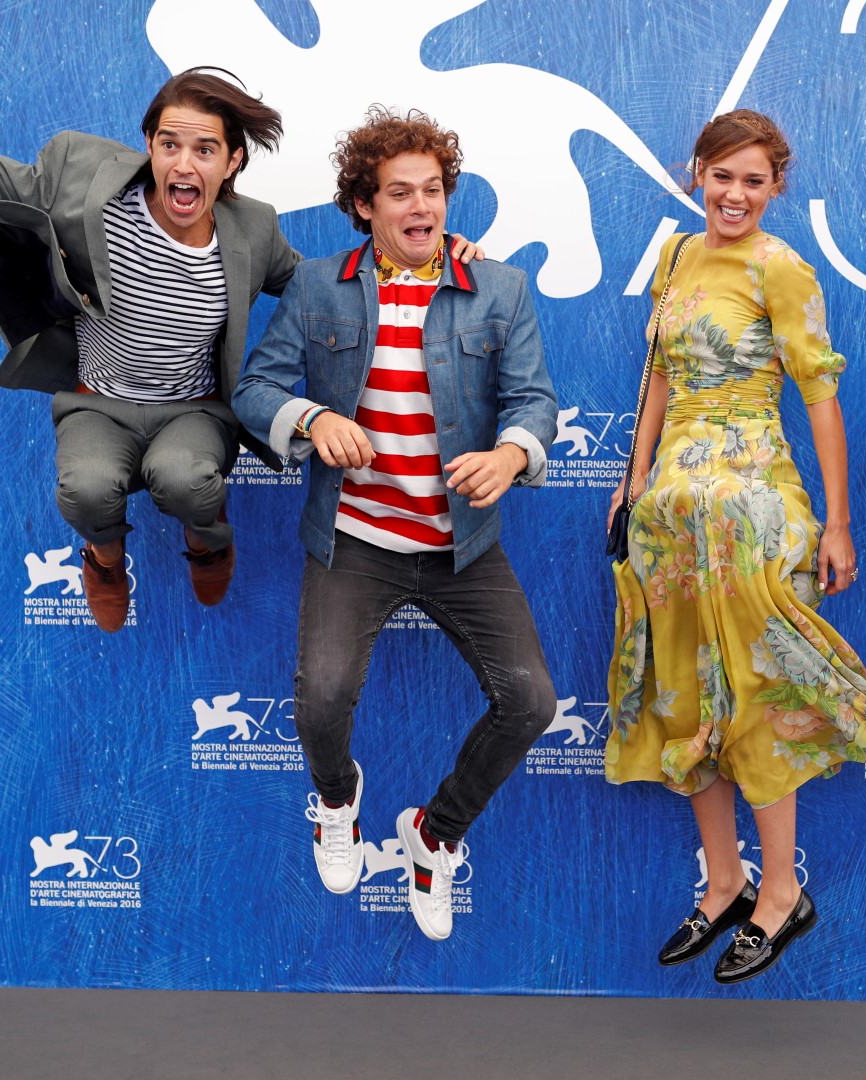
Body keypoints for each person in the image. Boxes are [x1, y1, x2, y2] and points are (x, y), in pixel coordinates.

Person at [0, 1, 481, 632]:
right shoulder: (83, 187)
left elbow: (326, 290)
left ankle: (209, 542)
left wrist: (434, 260)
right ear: (149, 145)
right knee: (86, 490)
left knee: (186, 481)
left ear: (231, 163)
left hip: (194, 411)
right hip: (99, 400)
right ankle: (106, 560)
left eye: (205, 149)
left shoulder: (252, 229)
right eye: (169, 144)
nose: (183, 163)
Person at [233, 107, 559, 942]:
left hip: (461, 546)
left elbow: (533, 401)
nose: (422, 206)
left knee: (530, 702)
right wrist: (309, 418)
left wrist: (513, 456)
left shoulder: (500, 287)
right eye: (400, 193)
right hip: (356, 538)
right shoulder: (317, 286)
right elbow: (255, 390)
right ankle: (337, 801)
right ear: (365, 207)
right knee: (323, 701)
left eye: (435, 190)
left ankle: (434, 834)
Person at [604, 110, 866, 984]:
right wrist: (634, 477)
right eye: (720, 175)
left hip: (753, 509)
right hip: (671, 516)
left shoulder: (783, 268)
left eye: (753, 180)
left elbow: (819, 396)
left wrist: (839, 522)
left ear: (777, 188)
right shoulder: (674, 257)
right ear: (694, 172)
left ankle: (782, 893)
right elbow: (657, 376)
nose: (734, 195)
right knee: (684, 694)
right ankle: (723, 881)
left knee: (758, 695)